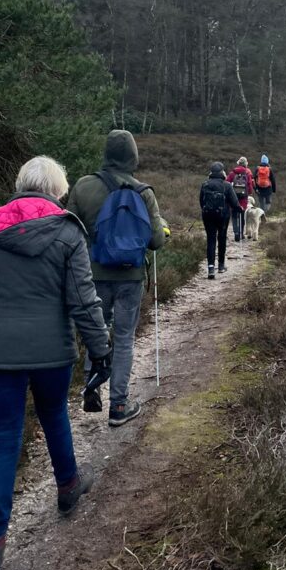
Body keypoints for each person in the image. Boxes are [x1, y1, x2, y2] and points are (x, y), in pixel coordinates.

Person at [0, 156, 111, 570]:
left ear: (21, 185)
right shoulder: (66, 231)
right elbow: (84, 299)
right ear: (57, 191)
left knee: (6, 438)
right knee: (54, 414)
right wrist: (101, 351)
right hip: (51, 353)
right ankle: (67, 487)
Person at [67, 130, 166, 428]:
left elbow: (68, 229)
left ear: (106, 153)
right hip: (130, 278)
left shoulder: (84, 186)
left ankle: (91, 387)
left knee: (97, 332)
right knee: (123, 339)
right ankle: (119, 405)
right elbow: (156, 242)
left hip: (93, 276)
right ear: (133, 156)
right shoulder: (143, 192)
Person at [200, 161, 240, 279]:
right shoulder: (227, 185)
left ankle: (211, 268)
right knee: (222, 238)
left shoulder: (205, 184)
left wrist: (206, 210)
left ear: (211, 172)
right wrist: (240, 209)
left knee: (211, 240)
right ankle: (221, 266)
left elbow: (201, 202)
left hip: (208, 216)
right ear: (222, 172)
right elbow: (234, 202)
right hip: (223, 216)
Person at [227, 156, 255, 243]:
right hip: (243, 198)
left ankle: (236, 233)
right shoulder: (247, 173)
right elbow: (250, 185)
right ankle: (241, 233)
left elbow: (227, 183)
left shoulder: (232, 173)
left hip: (234, 197)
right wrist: (249, 192)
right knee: (242, 215)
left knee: (234, 215)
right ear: (245, 164)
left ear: (238, 163)